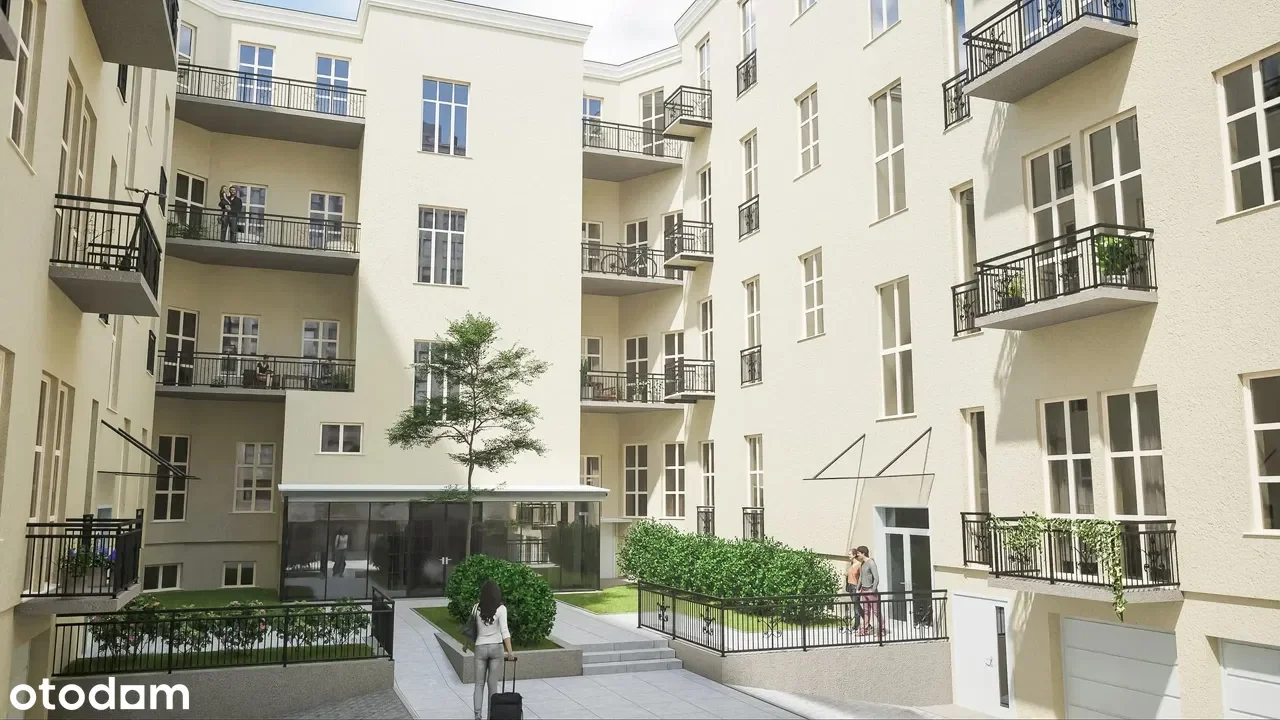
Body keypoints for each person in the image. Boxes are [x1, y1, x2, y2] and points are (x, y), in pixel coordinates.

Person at [470, 580, 516, 720]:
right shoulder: (501, 609)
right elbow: (505, 631)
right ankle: (492, 715)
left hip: (480, 648)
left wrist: (466, 644)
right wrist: (510, 652)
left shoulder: (476, 608)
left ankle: (477, 715)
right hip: (496, 648)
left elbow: (472, 629)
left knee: (479, 684)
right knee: (492, 685)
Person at [855, 545, 882, 636]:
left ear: (863, 553)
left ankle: (882, 630)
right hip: (864, 590)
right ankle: (865, 630)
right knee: (866, 611)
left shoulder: (871, 563)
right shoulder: (862, 563)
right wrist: (858, 588)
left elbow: (876, 578)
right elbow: (861, 577)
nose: (857, 555)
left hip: (870, 590)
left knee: (876, 611)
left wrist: (873, 590)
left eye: (858, 553)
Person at [846, 548, 864, 630]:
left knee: (856, 606)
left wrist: (859, 587)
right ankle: (862, 622)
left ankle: (857, 624)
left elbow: (860, 577)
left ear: (854, 555)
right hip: (850, 586)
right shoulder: (851, 564)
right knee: (856, 605)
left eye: (850, 554)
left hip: (855, 586)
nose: (848, 556)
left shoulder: (859, 565)